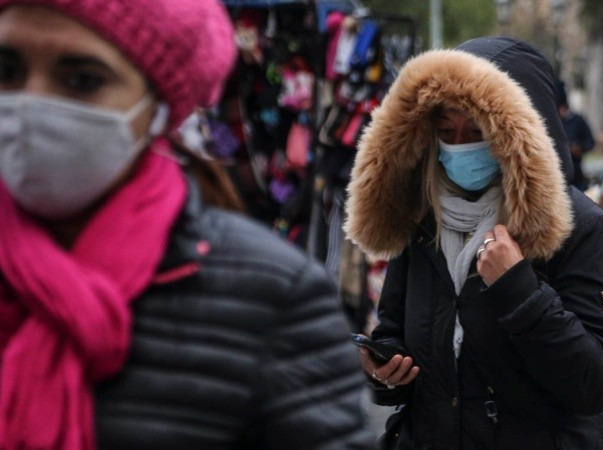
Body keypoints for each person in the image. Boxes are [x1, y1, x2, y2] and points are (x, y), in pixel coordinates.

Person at [0, 1, 377, 449]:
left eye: (84, 80)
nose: (32, 101)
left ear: (158, 107)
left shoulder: (273, 295)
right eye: (6, 71)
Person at [344, 36, 603, 449]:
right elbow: (400, 339)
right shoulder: (424, 221)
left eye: (477, 130)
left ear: (516, 132)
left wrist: (519, 288)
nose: (460, 146)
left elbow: (598, 383)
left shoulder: (581, 227)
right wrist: (383, 370)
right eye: (446, 131)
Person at [556, 80, 596, 191]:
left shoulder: (577, 120)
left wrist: (580, 148)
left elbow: (590, 142)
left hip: (576, 175)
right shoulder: (552, 122)